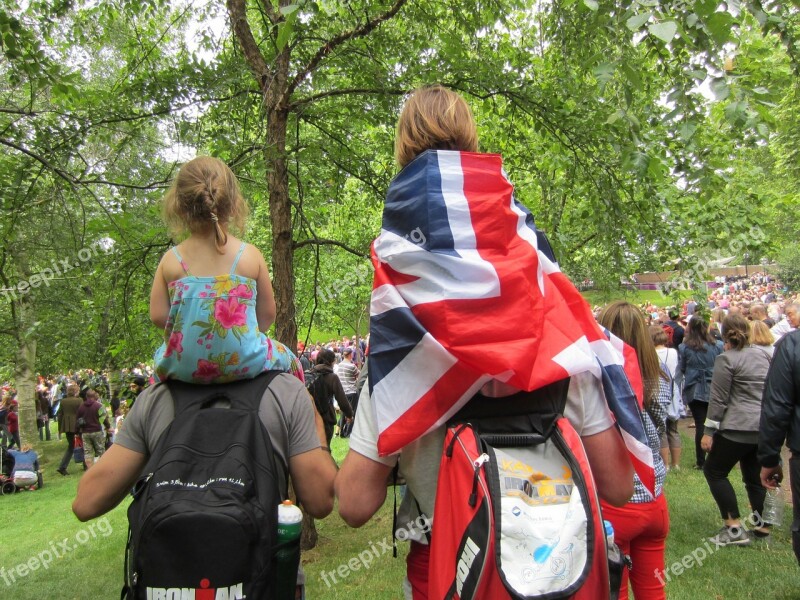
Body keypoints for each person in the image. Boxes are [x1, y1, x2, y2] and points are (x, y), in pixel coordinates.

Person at [334, 85, 634, 600]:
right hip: (558, 574)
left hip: (447, 576)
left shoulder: (400, 362)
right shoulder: (558, 346)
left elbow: (355, 505)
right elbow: (618, 487)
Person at [72, 372, 337, 531]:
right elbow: (320, 501)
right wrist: (316, 428)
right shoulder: (286, 391)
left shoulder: (156, 398)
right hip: (261, 579)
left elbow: (87, 502)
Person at [149, 156, 302, 385]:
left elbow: (159, 316)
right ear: (232, 204)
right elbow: (268, 315)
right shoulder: (249, 255)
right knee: (293, 363)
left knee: (153, 380)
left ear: (179, 206)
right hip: (246, 359)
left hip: (183, 364)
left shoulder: (171, 260)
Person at [599, 303, 669, 600]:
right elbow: (661, 424)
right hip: (654, 500)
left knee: (615, 588)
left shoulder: (596, 376)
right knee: (653, 590)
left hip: (618, 503)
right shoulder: (658, 373)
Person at [701, 313, 772, 546]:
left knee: (714, 471)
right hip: (763, 427)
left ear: (724, 334)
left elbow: (719, 399)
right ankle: (762, 527)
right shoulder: (764, 355)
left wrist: (708, 431)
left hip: (736, 427)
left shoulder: (727, 359)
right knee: (754, 476)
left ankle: (733, 528)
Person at [758, 328, 800, 564]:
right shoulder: (792, 344)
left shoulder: (793, 343)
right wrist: (770, 457)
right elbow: (777, 407)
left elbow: (777, 406)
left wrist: (769, 459)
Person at [678, 315, 724, 469]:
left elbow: (683, 367)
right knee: (714, 424)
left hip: (694, 388)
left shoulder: (684, 347)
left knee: (700, 424)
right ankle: (715, 459)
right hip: (714, 388)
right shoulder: (718, 346)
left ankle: (701, 461)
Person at [651, 325, 682, 471]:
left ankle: (666, 464)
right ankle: (676, 463)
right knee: (673, 429)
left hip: (658, 390)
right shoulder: (673, 352)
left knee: (661, 429)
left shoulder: (650, 353)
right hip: (674, 390)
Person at [311, 348, 353, 445]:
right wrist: (349, 414)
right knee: (325, 449)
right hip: (326, 418)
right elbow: (342, 400)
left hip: (310, 418)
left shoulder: (309, 374)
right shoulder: (332, 377)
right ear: (331, 361)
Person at [75, 388, 112, 469]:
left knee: (88, 452)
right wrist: (108, 427)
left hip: (85, 432)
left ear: (86, 396)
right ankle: (102, 468)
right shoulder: (98, 406)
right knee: (100, 451)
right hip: (97, 431)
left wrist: (77, 432)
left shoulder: (81, 407)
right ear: (94, 396)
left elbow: (77, 420)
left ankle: (90, 469)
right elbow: (104, 418)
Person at [57, 383, 83, 476]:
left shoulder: (63, 401)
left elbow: (60, 415)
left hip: (67, 425)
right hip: (78, 425)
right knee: (83, 444)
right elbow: (82, 413)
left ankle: (62, 466)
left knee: (71, 446)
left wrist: (60, 429)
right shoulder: (79, 401)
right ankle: (85, 464)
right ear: (76, 391)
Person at [334, 347, 359, 437]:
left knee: (344, 412)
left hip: (342, 392)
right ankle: (348, 432)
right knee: (351, 412)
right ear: (350, 355)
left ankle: (341, 432)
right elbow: (358, 376)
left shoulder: (339, 366)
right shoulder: (352, 366)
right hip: (351, 392)